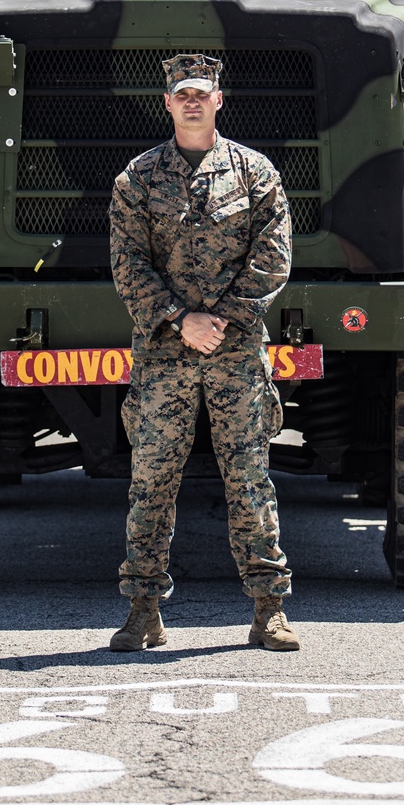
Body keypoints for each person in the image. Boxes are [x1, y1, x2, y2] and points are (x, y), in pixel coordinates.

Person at [107, 53, 298, 652]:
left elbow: (273, 254)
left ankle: (269, 610)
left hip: (236, 351)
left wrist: (223, 320)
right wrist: (178, 319)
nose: (191, 101)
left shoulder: (253, 173)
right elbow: (126, 261)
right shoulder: (137, 178)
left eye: (202, 92)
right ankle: (143, 611)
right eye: (181, 93)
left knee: (248, 479)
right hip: (164, 352)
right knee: (152, 480)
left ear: (219, 99)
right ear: (167, 103)